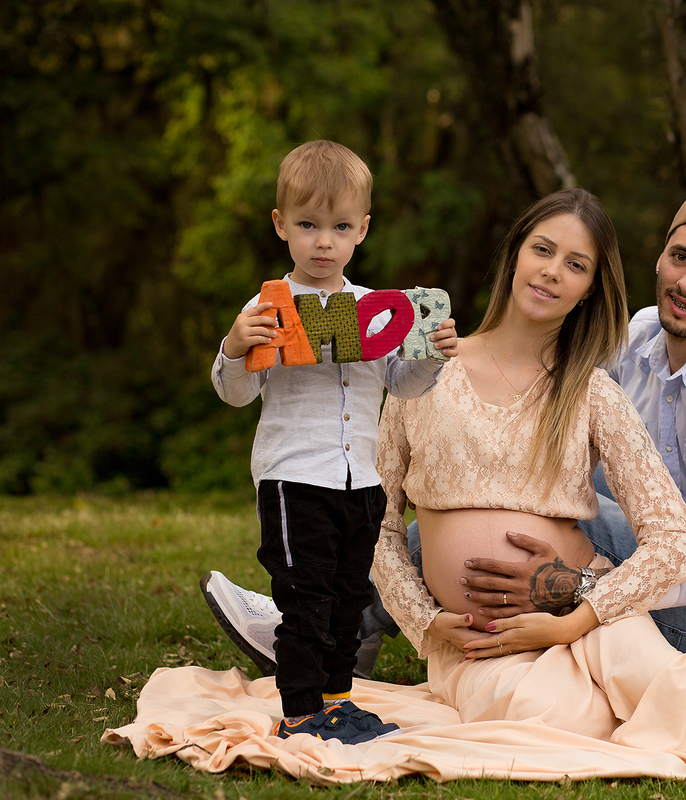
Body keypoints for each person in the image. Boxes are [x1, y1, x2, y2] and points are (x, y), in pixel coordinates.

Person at [203, 190, 686, 671]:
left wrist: (568, 592)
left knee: (511, 515)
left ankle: (323, 624)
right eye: (681, 257)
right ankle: (323, 625)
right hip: (644, 547)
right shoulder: (641, 336)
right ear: (659, 257)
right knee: (471, 501)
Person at [210, 139, 458, 745]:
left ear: (362, 231)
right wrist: (235, 347)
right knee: (305, 599)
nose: (324, 241)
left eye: (340, 226)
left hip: (361, 481)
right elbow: (235, 393)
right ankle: (299, 712)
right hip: (294, 477)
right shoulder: (267, 309)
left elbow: (401, 383)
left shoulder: (377, 310)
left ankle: (338, 701)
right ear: (281, 226)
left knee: (349, 597)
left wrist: (433, 354)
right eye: (308, 224)